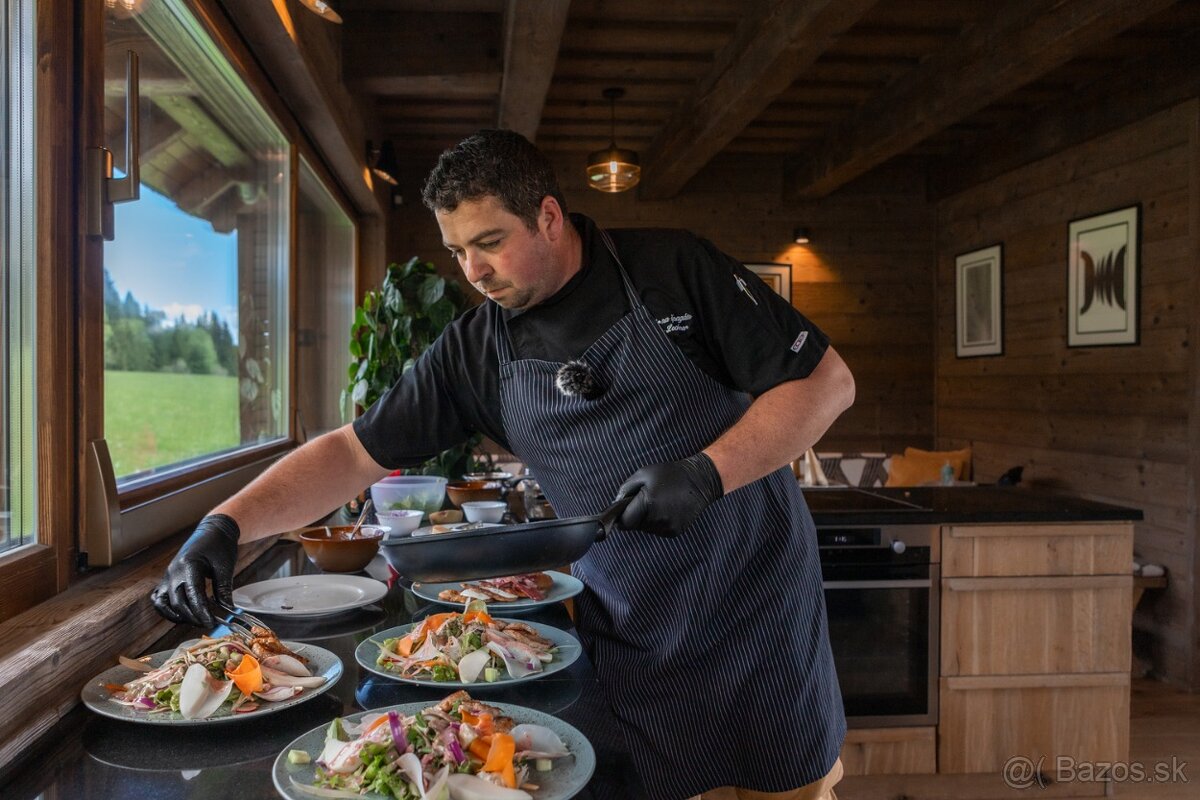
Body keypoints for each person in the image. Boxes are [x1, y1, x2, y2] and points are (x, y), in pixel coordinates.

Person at [151, 129, 855, 800]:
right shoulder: (474, 352)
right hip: (630, 634)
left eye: (490, 242)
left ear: (548, 217)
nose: (473, 271)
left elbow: (826, 384)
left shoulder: (673, 270)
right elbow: (350, 451)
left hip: (759, 620)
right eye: (457, 250)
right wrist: (224, 526)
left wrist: (708, 472)